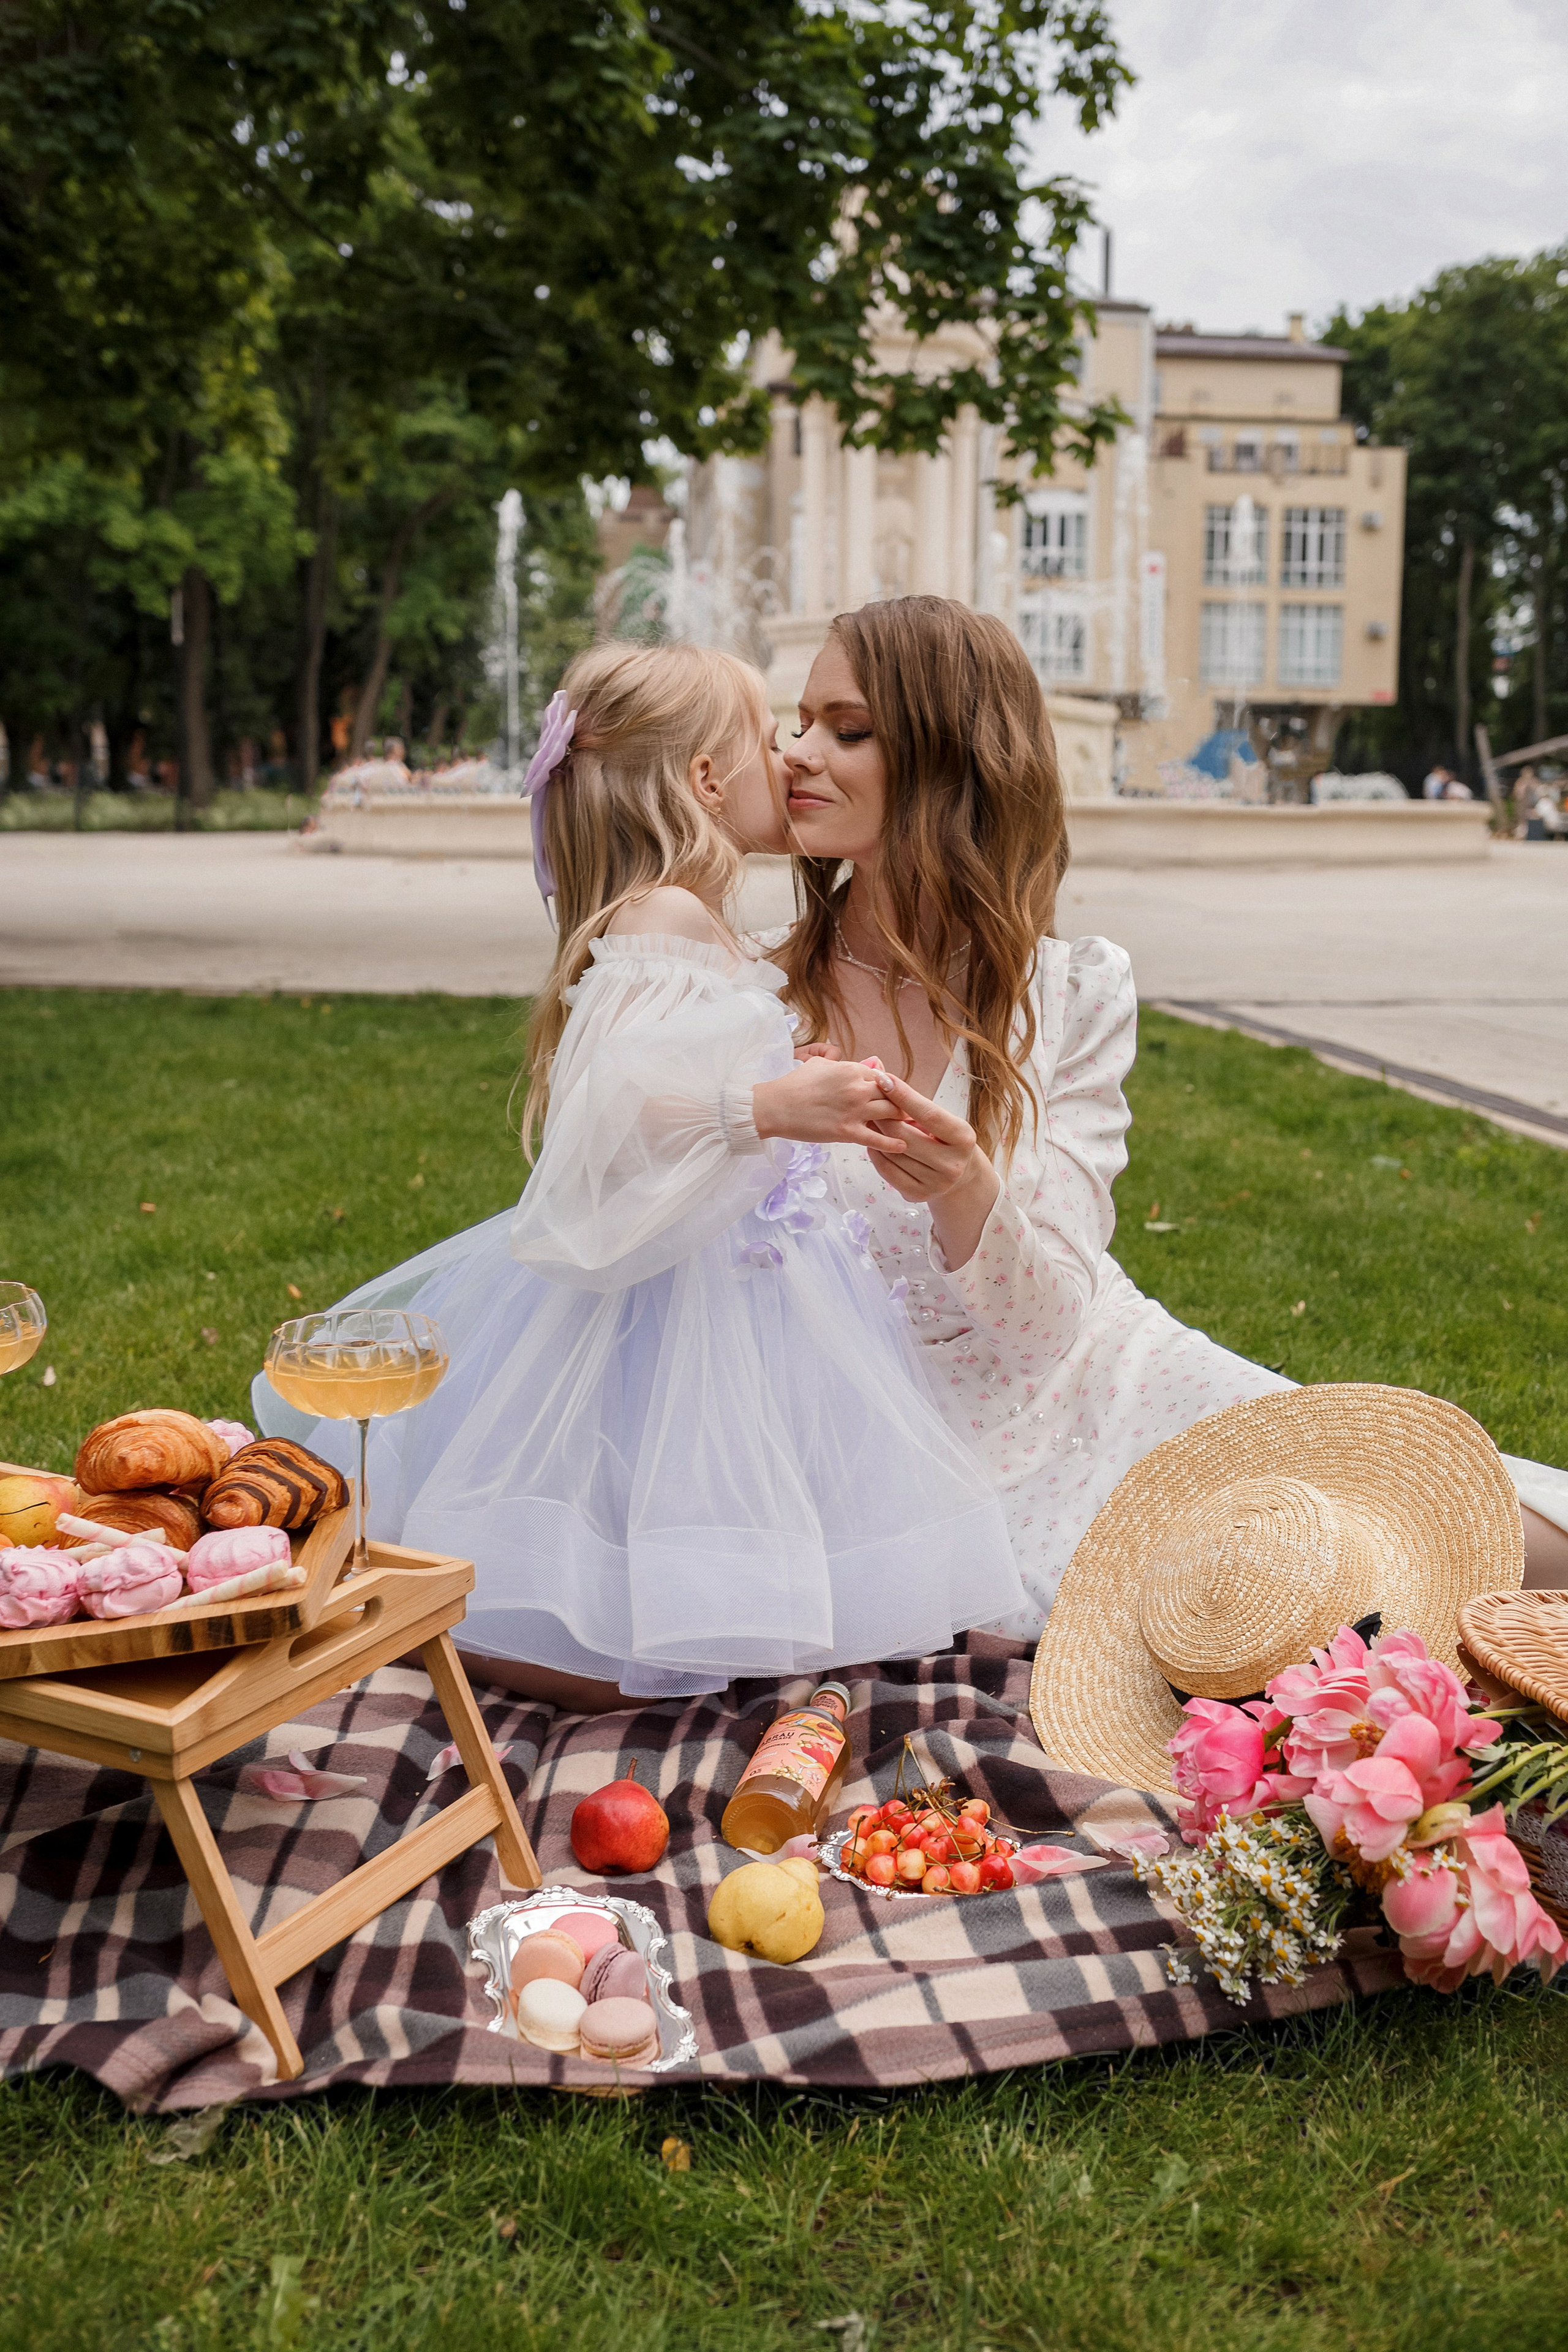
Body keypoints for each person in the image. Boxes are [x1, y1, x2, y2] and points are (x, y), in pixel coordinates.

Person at [760, 597, 1568, 1631]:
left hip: (1098, 1380)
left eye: (849, 729)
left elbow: (1049, 1323)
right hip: (891, 1447)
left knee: (1444, 1524)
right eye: (801, 721)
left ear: (949, 759)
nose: (799, 754)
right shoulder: (753, 999)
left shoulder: (1070, 995)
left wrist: (968, 1194)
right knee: (1222, 1613)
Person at [254, 639, 1021, 1709]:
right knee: (646, 1463)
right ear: (705, 783)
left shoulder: (696, 927)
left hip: (751, 1269)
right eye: (765, 738)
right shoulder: (662, 919)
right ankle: (529, 1644)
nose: (790, 757)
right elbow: (607, 1106)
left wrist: (775, 1074)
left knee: (729, 1482)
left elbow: (668, 1071)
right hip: (676, 1284)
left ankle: (678, 1634)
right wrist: (760, 1105)